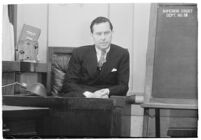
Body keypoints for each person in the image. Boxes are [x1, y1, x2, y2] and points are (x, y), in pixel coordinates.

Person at [61, 16, 129, 98]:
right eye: (98, 34)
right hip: (83, 97)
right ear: (92, 35)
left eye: (106, 33)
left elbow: (123, 86)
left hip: (107, 98)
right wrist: (90, 95)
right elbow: (69, 84)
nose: (103, 38)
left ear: (112, 33)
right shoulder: (79, 53)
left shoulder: (122, 54)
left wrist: (107, 92)